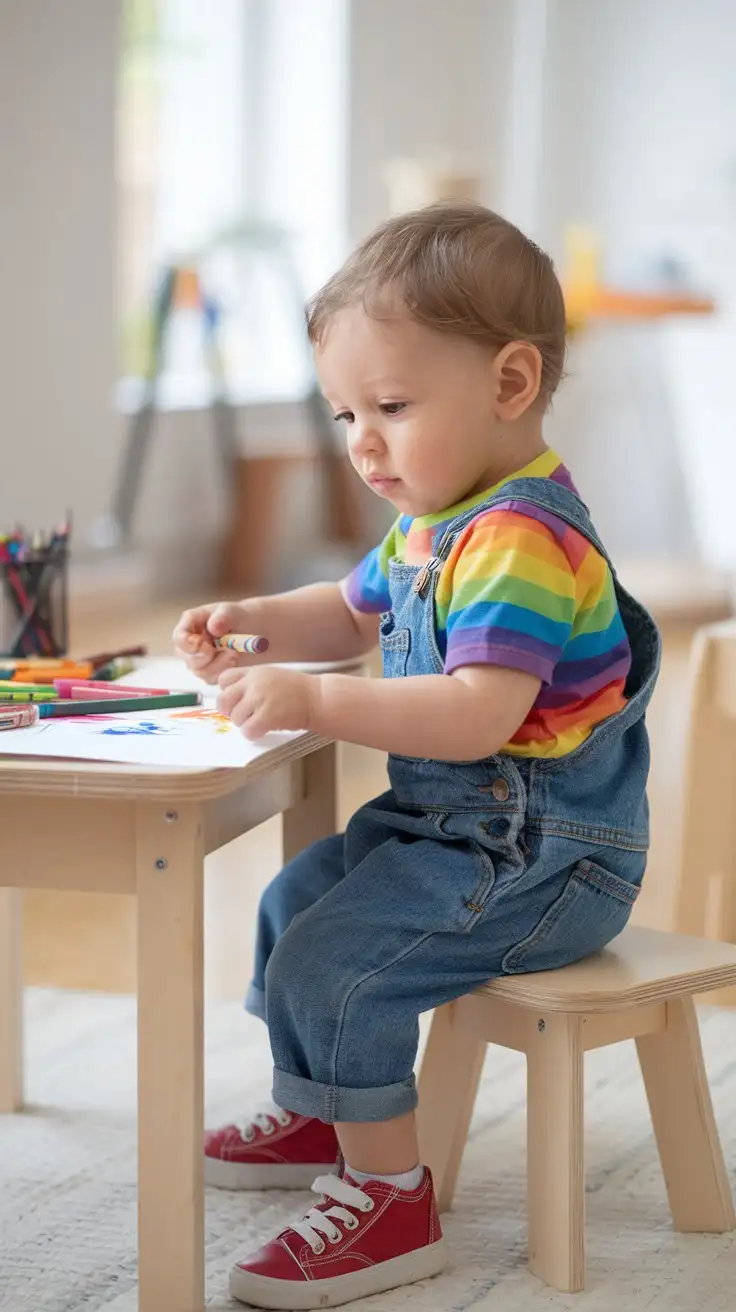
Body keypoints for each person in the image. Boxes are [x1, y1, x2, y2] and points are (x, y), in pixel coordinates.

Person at [173, 201, 660, 1310]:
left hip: (543, 856)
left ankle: (389, 1195)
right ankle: (320, 1105)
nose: (363, 442)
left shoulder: (521, 541)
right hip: (456, 836)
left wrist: (316, 702)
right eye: (347, 412)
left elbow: (476, 717)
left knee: (334, 964)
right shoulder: (435, 524)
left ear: (508, 385)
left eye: (391, 405)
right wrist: (252, 619)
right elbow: (346, 613)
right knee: (294, 899)